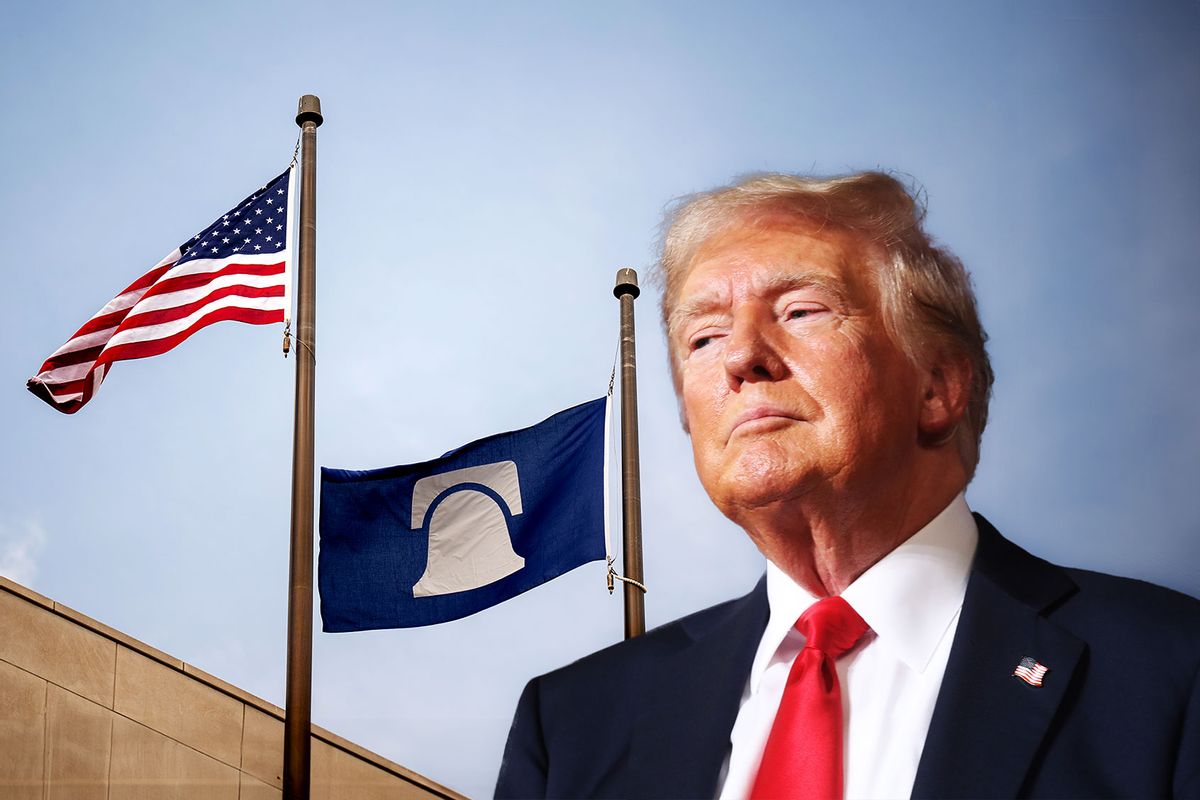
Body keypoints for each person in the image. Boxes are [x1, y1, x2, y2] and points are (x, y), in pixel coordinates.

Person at [495, 172, 1200, 799]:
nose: (740, 356)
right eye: (702, 338)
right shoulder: (571, 725)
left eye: (801, 310)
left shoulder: (1171, 670)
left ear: (937, 387)